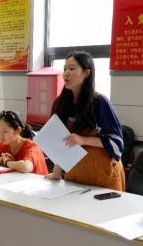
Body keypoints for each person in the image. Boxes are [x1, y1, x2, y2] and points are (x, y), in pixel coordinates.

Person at [46, 51, 125, 191]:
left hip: (102, 175)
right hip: (75, 174)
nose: (66, 73)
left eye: (72, 69)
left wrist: (83, 140)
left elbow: (116, 143)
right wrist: (56, 173)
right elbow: (62, 141)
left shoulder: (100, 102)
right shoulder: (61, 103)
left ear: (86, 73)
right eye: (65, 69)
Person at [0, 110, 48, 175]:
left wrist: (7, 162)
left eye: (5, 131)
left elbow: (26, 167)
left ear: (18, 130)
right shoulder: (5, 144)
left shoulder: (31, 147)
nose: (0, 135)